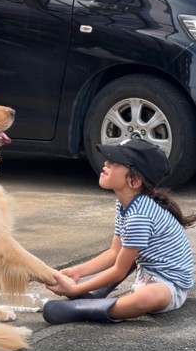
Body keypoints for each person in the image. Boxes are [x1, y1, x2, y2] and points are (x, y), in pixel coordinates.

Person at [43, 138, 195, 324]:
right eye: (108, 160)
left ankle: (85, 308)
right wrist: (76, 272)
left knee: (147, 298)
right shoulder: (125, 204)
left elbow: (118, 270)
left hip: (168, 286)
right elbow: (114, 253)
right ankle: (94, 295)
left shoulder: (139, 216)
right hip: (147, 271)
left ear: (135, 180)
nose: (106, 164)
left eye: (114, 162)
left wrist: (73, 290)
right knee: (127, 252)